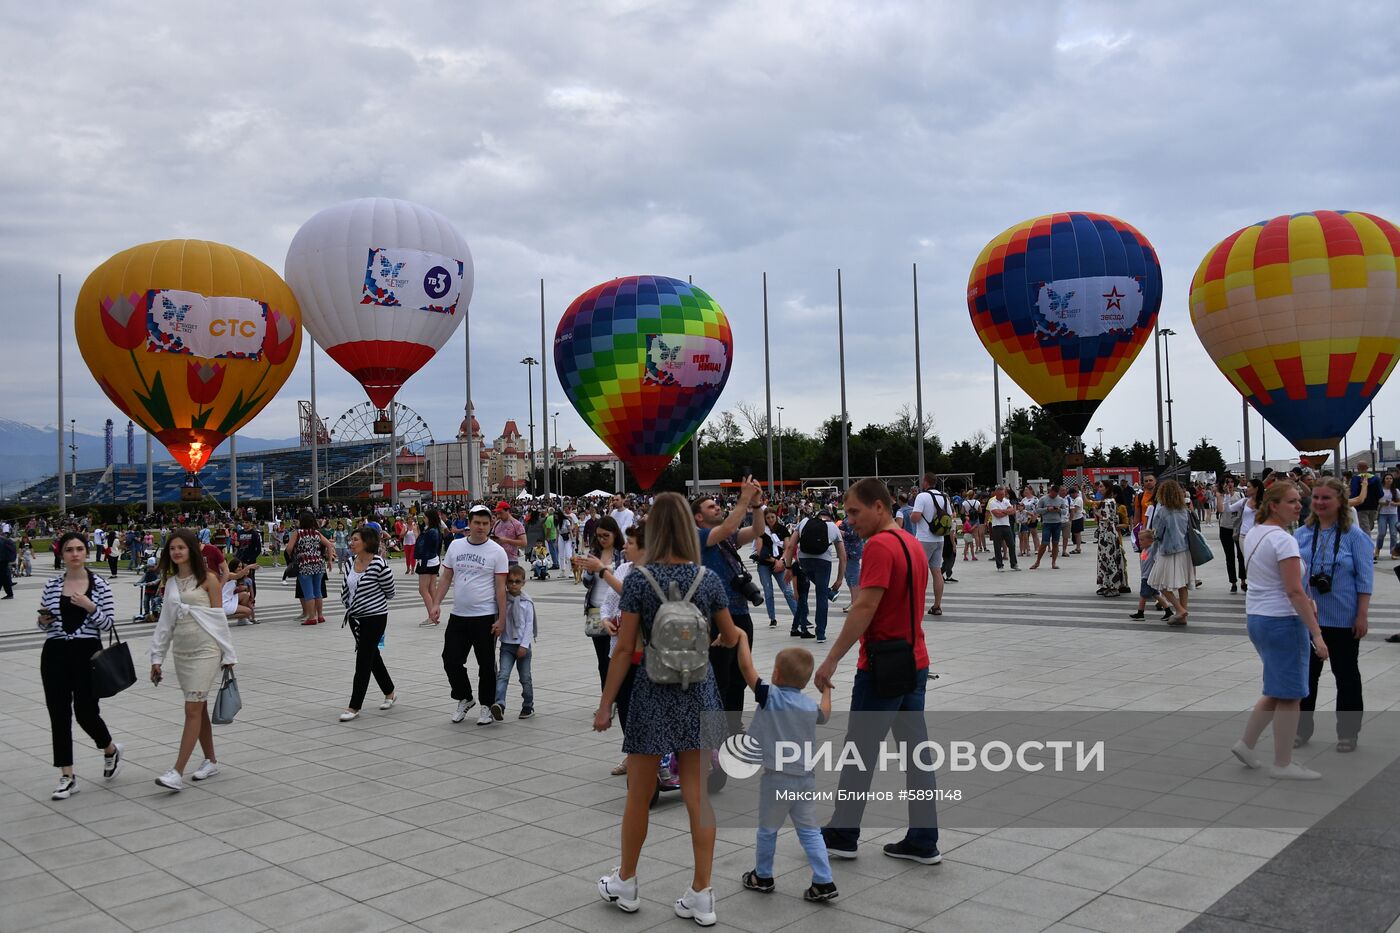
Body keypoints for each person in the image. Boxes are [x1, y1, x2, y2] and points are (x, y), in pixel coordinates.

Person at [594, 492, 741, 925]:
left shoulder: (639, 580)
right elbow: (731, 636)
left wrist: (605, 706)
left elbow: (623, 649)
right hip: (698, 690)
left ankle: (626, 881)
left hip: (652, 694)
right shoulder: (707, 578)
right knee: (697, 795)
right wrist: (711, 640)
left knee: (639, 796)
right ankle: (702, 893)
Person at [816, 478, 941, 865]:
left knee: (859, 752)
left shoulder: (879, 546)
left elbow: (865, 608)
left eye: (854, 512)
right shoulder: (910, 543)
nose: (849, 520)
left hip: (882, 666)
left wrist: (832, 658)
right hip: (914, 659)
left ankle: (843, 832)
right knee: (917, 754)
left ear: (880, 507)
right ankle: (924, 838)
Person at [1232, 481, 1330, 780]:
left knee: (1276, 687)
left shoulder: (1255, 533)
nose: (1299, 505)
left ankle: (1246, 744)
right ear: (1273, 505)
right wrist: (1316, 633)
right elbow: (1294, 591)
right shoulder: (1283, 540)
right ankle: (1283, 763)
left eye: (1299, 500)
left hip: (1258, 617)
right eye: (1291, 501)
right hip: (1283, 621)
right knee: (1290, 695)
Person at [735, 640, 837, 903]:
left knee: (768, 829)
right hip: (805, 778)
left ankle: (763, 876)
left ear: (777, 675)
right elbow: (825, 714)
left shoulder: (771, 696)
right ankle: (824, 881)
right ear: (804, 683)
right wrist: (826, 690)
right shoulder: (807, 705)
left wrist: (740, 638)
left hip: (777, 779)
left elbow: (746, 667)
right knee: (810, 831)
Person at [38, 532, 122, 800]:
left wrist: (89, 606)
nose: (74, 554)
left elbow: (107, 624)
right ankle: (67, 775)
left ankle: (109, 749)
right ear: (61, 554)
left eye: (79, 549)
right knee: (58, 714)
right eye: (69, 550)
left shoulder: (99, 585)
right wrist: (44, 622)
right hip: (55, 652)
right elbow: (41, 622)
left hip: (87, 653)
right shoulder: (52, 585)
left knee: (86, 712)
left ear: (86, 553)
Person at [149, 529, 235, 792]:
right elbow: (165, 623)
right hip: (182, 653)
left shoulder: (208, 580)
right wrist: (157, 657)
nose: (176, 552)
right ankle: (210, 760)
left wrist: (228, 654)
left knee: (191, 709)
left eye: (181, 548)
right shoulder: (172, 583)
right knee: (199, 708)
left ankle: (177, 771)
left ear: (191, 551)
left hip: (206, 650)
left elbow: (219, 620)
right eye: (172, 548)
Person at [1294, 478, 1370, 752]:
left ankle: (1348, 732)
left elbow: (1364, 579)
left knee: (1346, 675)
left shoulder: (1354, 537)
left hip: (1343, 618)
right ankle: (1301, 729)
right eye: (1316, 497)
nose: (1319, 503)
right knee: (1305, 678)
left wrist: (1362, 615)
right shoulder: (1301, 534)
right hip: (1308, 619)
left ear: (1340, 501)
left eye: (1326, 498)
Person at [696, 479, 766, 736]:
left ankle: (734, 726)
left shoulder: (726, 539)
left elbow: (757, 530)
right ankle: (716, 729)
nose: (716, 508)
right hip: (715, 616)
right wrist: (743, 499)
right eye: (710, 506)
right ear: (698, 517)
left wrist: (756, 504)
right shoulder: (700, 535)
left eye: (716, 505)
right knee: (718, 677)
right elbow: (727, 527)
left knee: (738, 676)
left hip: (740, 612)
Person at [432, 504, 509, 727]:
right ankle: (465, 697)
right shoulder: (456, 546)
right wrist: (436, 603)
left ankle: (487, 705)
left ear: (490, 524)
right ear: (470, 523)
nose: (481, 527)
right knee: (451, 659)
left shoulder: (497, 552)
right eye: (477, 523)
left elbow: (500, 588)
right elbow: (446, 577)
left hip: (485, 616)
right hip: (459, 615)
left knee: (486, 664)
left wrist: (501, 619)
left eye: (485, 523)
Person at [338, 526, 397, 722]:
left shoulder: (379, 564)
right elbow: (346, 588)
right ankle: (389, 692)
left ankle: (354, 706)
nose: (351, 543)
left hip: (375, 616)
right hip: (355, 617)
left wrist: (370, 600)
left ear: (366, 542)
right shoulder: (349, 563)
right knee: (372, 656)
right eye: (351, 539)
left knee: (363, 658)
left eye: (355, 539)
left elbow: (390, 591)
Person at [785, 505, 847, 645]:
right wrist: (839, 579)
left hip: (804, 561)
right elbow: (842, 556)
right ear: (829, 518)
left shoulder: (804, 521)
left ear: (817, 517)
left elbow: (790, 546)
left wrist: (788, 567)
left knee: (820, 588)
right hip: (823, 562)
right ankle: (820, 634)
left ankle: (828, 593)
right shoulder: (833, 526)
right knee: (821, 595)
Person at [577, 517, 625, 692]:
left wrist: (603, 569)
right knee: (603, 661)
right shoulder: (594, 553)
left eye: (606, 535)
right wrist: (589, 572)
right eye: (599, 536)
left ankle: (619, 696)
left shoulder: (623, 553)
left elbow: (624, 579)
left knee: (617, 658)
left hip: (617, 611)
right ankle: (607, 698)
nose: (602, 539)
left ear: (615, 534)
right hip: (596, 609)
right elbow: (587, 583)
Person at [1146, 479, 1195, 624]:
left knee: (1159, 582)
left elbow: (1158, 534)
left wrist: (1149, 535)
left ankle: (1180, 609)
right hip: (1184, 550)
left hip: (1167, 551)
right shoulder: (1184, 510)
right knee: (1182, 584)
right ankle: (1182, 617)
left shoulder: (1163, 511)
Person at [494, 565, 536, 719]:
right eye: (510, 581)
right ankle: (499, 704)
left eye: (517, 582)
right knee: (503, 675)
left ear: (523, 583)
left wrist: (524, 645)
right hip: (506, 645)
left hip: (522, 646)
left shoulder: (527, 602)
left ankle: (528, 705)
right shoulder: (502, 600)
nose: (513, 584)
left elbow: (529, 626)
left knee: (525, 678)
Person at [908, 473, 949, 616]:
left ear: (925, 482)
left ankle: (916, 605)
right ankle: (937, 605)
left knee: (919, 572)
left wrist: (910, 515)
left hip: (924, 539)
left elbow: (915, 517)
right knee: (936, 572)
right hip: (939, 538)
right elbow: (950, 516)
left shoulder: (922, 496)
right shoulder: (944, 497)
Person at [285, 510, 334, 625]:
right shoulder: (316, 533)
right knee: (318, 591)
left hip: (304, 565)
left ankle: (311, 617)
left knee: (308, 593)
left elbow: (289, 548)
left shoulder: (298, 533)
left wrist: (294, 556)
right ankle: (320, 615)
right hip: (318, 564)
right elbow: (328, 544)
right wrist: (330, 560)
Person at [753, 510, 799, 626]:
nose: (770, 520)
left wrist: (782, 561)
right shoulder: (761, 531)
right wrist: (775, 561)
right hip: (765, 564)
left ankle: (798, 615)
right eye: (768, 518)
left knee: (788, 591)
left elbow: (788, 547)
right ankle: (772, 618)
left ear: (776, 517)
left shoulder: (783, 529)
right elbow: (759, 551)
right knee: (768, 592)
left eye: (772, 517)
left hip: (781, 563)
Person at [1095, 493, 1130, 596]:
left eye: (1102, 487)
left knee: (1115, 561)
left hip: (1112, 536)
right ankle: (1107, 584)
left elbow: (1123, 523)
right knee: (1106, 561)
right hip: (1106, 535)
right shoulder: (1106, 504)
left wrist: (1098, 514)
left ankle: (1119, 585)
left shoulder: (1115, 505)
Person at [415, 511, 444, 625]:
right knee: (432, 588)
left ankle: (431, 617)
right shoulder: (436, 530)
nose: (424, 519)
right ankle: (435, 613)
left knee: (423, 589)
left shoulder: (430, 531)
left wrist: (417, 534)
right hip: (434, 560)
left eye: (425, 517)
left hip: (427, 561)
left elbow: (422, 546)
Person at [1217, 477, 1245, 593]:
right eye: (1227, 482)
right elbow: (1221, 509)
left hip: (1238, 528)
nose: (1229, 484)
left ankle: (1243, 580)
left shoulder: (1240, 495)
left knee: (1241, 555)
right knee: (1229, 556)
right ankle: (1233, 582)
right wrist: (1224, 495)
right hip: (1225, 528)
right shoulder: (1220, 495)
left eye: (1231, 482)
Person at [1030, 485, 1067, 570]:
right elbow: (1037, 510)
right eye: (1053, 494)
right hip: (1047, 523)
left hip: (1057, 523)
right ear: (1050, 491)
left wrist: (1059, 510)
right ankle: (1037, 561)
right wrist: (1047, 509)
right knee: (1044, 543)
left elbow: (1065, 511)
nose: (1054, 496)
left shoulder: (1061, 500)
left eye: (1056, 494)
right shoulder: (1043, 499)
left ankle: (1053, 562)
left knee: (1055, 543)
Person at [1348, 460, 1382, 539]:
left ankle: (1367, 547)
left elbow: (1354, 492)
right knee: (1368, 527)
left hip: (1360, 507)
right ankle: (1367, 546)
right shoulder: (1376, 479)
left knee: (1365, 528)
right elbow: (1381, 493)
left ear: (1358, 468)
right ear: (1367, 468)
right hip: (1373, 507)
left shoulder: (1356, 479)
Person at [987, 485, 1018, 571]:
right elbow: (997, 514)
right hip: (997, 526)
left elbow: (1012, 511)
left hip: (1006, 525)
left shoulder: (1006, 501)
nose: (1003, 496)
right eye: (1001, 494)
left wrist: (1002, 511)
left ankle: (1014, 564)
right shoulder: (992, 502)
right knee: (997, 546)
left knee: (1011, 545)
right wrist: (1006, 511)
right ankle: (999, 565)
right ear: (996, 494)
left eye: (1003, 494)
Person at [1374, 472, 1400, 559]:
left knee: (1393, 533)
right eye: (1387, 478)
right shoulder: (1380, 490)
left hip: (1393, 514)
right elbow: (1376, 501)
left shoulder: (1396, 491)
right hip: (1382, 514)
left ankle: (1393, 552)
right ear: (1384, 480)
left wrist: (1394, 503)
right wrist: (1383, 503)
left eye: (1390, 478)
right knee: (1381, 533)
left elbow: (1399, 502)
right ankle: (1378, 549)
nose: (1389, 480)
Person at [1018, 485, 1038, 557]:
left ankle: (1036, 548)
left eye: (1027, 490)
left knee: (1034, 533)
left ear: (1031, 490)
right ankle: (1026, 548)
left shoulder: (1035, 499)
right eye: (1025, 490)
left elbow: (1037, 509)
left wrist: (1035, 517)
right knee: (1025, 534)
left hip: (1032, 517)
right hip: (1025, 519)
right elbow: (1020, 508)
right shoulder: (1023, 500)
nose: (1025, 491)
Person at [1067, 485, 1085, 554]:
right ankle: (1078, 547)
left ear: (1074, 493)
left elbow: (1075, 509)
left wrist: (1068, 509)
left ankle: (1078, 548)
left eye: (1071, 494)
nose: (1071, 496)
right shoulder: (1075, 499)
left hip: (1077, 518)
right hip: (1075, 518)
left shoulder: (1078, 499)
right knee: (1076, 533)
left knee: (1077, 534)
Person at [0, 531, 15, 598]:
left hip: (1, 561)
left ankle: (10, 594)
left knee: (3, 577)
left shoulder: (2, 540)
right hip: (4, 560)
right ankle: (10, 594)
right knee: (3, 577)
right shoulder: (4, 539)